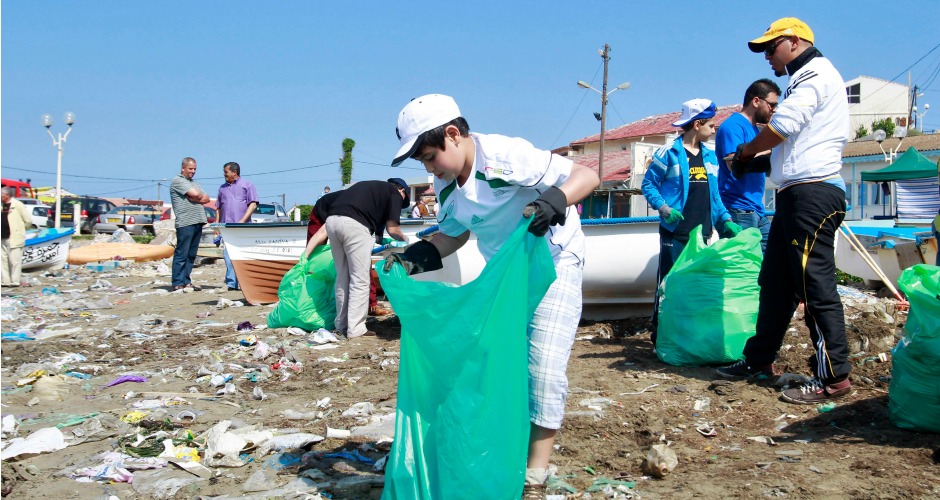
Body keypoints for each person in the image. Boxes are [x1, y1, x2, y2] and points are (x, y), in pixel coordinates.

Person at [384, 94, 599, 498]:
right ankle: (504, 451)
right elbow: (454, 233)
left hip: (554, 261)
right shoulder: (445, 184)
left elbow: (587, 176)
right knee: (499, 366)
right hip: (504, 276)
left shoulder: (503, 155)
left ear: (454, 133)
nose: (429, 168)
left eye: (430, 156)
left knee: (545, 369)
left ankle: (534, 478)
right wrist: (413, 259)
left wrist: (553, 201)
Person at [716, 18, 854, 405]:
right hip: (796, 194)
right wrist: (753, 161)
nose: (767, 58)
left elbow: (785, 127)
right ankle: (759, 360)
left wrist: (745, 152)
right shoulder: (802, 79)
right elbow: (789, 151)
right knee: (775, 283)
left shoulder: (814, 75)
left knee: (816, 288)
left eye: (770, 48)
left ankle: (834, 378)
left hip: (814, 195)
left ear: (794, 42)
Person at [641, 99, 740, 346]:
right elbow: (648, 184)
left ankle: (687, 336)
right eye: (711, 125)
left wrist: (725, 220)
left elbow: (714, 195)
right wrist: (664, 209)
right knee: (669, 285)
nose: (714, 130)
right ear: (697, 124)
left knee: (693, 286)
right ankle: (661, 334)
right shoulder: (669, 153)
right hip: (676, 232)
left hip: (703, 233)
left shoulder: (710, 157)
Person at [316, 179, 408, 338]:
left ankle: (342, 325)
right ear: (402, 191)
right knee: (360, 278)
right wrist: (406, 239)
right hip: (355, 224)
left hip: (331, 222)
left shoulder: (373, 187)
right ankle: (356, 329)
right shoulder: (395, 193)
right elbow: (392, 228)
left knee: (342, 276)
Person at [715, 79, 782, 254]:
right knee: (741, 264)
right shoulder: (732, 126)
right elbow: (733, 163)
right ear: (756, 101)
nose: (774, 110)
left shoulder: (755, 130)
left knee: (768, 261)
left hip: (756, 209)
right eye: (772, 105)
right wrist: (770, 152)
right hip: (738, 209)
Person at [305, 189, 391, 316]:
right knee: (315, 258)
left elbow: (374, 230)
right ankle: (313, 300)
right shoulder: (365, 203)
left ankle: (371, 305)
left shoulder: (378, 206)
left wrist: (379, 238)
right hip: (324, 212)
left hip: (346, 217)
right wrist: (305, 257)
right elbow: (320, 234)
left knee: (362, 262)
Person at [216, 162, 258, 291]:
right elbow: (218, 208)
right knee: (228, 254)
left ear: (234, 172)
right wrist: (217, 227)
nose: (224, 174)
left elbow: (253, 204)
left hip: (243, 227)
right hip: (226, 227)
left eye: (226, 171)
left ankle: (244, 282)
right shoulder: (222, 188)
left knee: (243, 254)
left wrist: (243, 220)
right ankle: (231, 283)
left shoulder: (247, 185)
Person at [170, 157, 210, 291]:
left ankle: (186, 280)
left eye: (195, 169)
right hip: (185, 222)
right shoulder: (178, 181)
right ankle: (177, 282)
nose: (193, 171)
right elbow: (197, 195)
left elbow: (205, 198)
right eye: (190, 169)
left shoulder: (193, 182)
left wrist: (195, 198)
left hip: (198, 220)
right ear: (183, 168)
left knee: (191, 254)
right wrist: (196, 197)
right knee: (182, 253)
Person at [1, 187, 33, 287]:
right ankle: (5, 281)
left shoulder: (17, 205)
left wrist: (20, 230)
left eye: (1, 194)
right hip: (2, 237)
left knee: (14, 261)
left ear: (7, 195)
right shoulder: (2, 205)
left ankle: (15, 281)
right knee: (3, 261)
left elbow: (28, 221)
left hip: (14, 237)